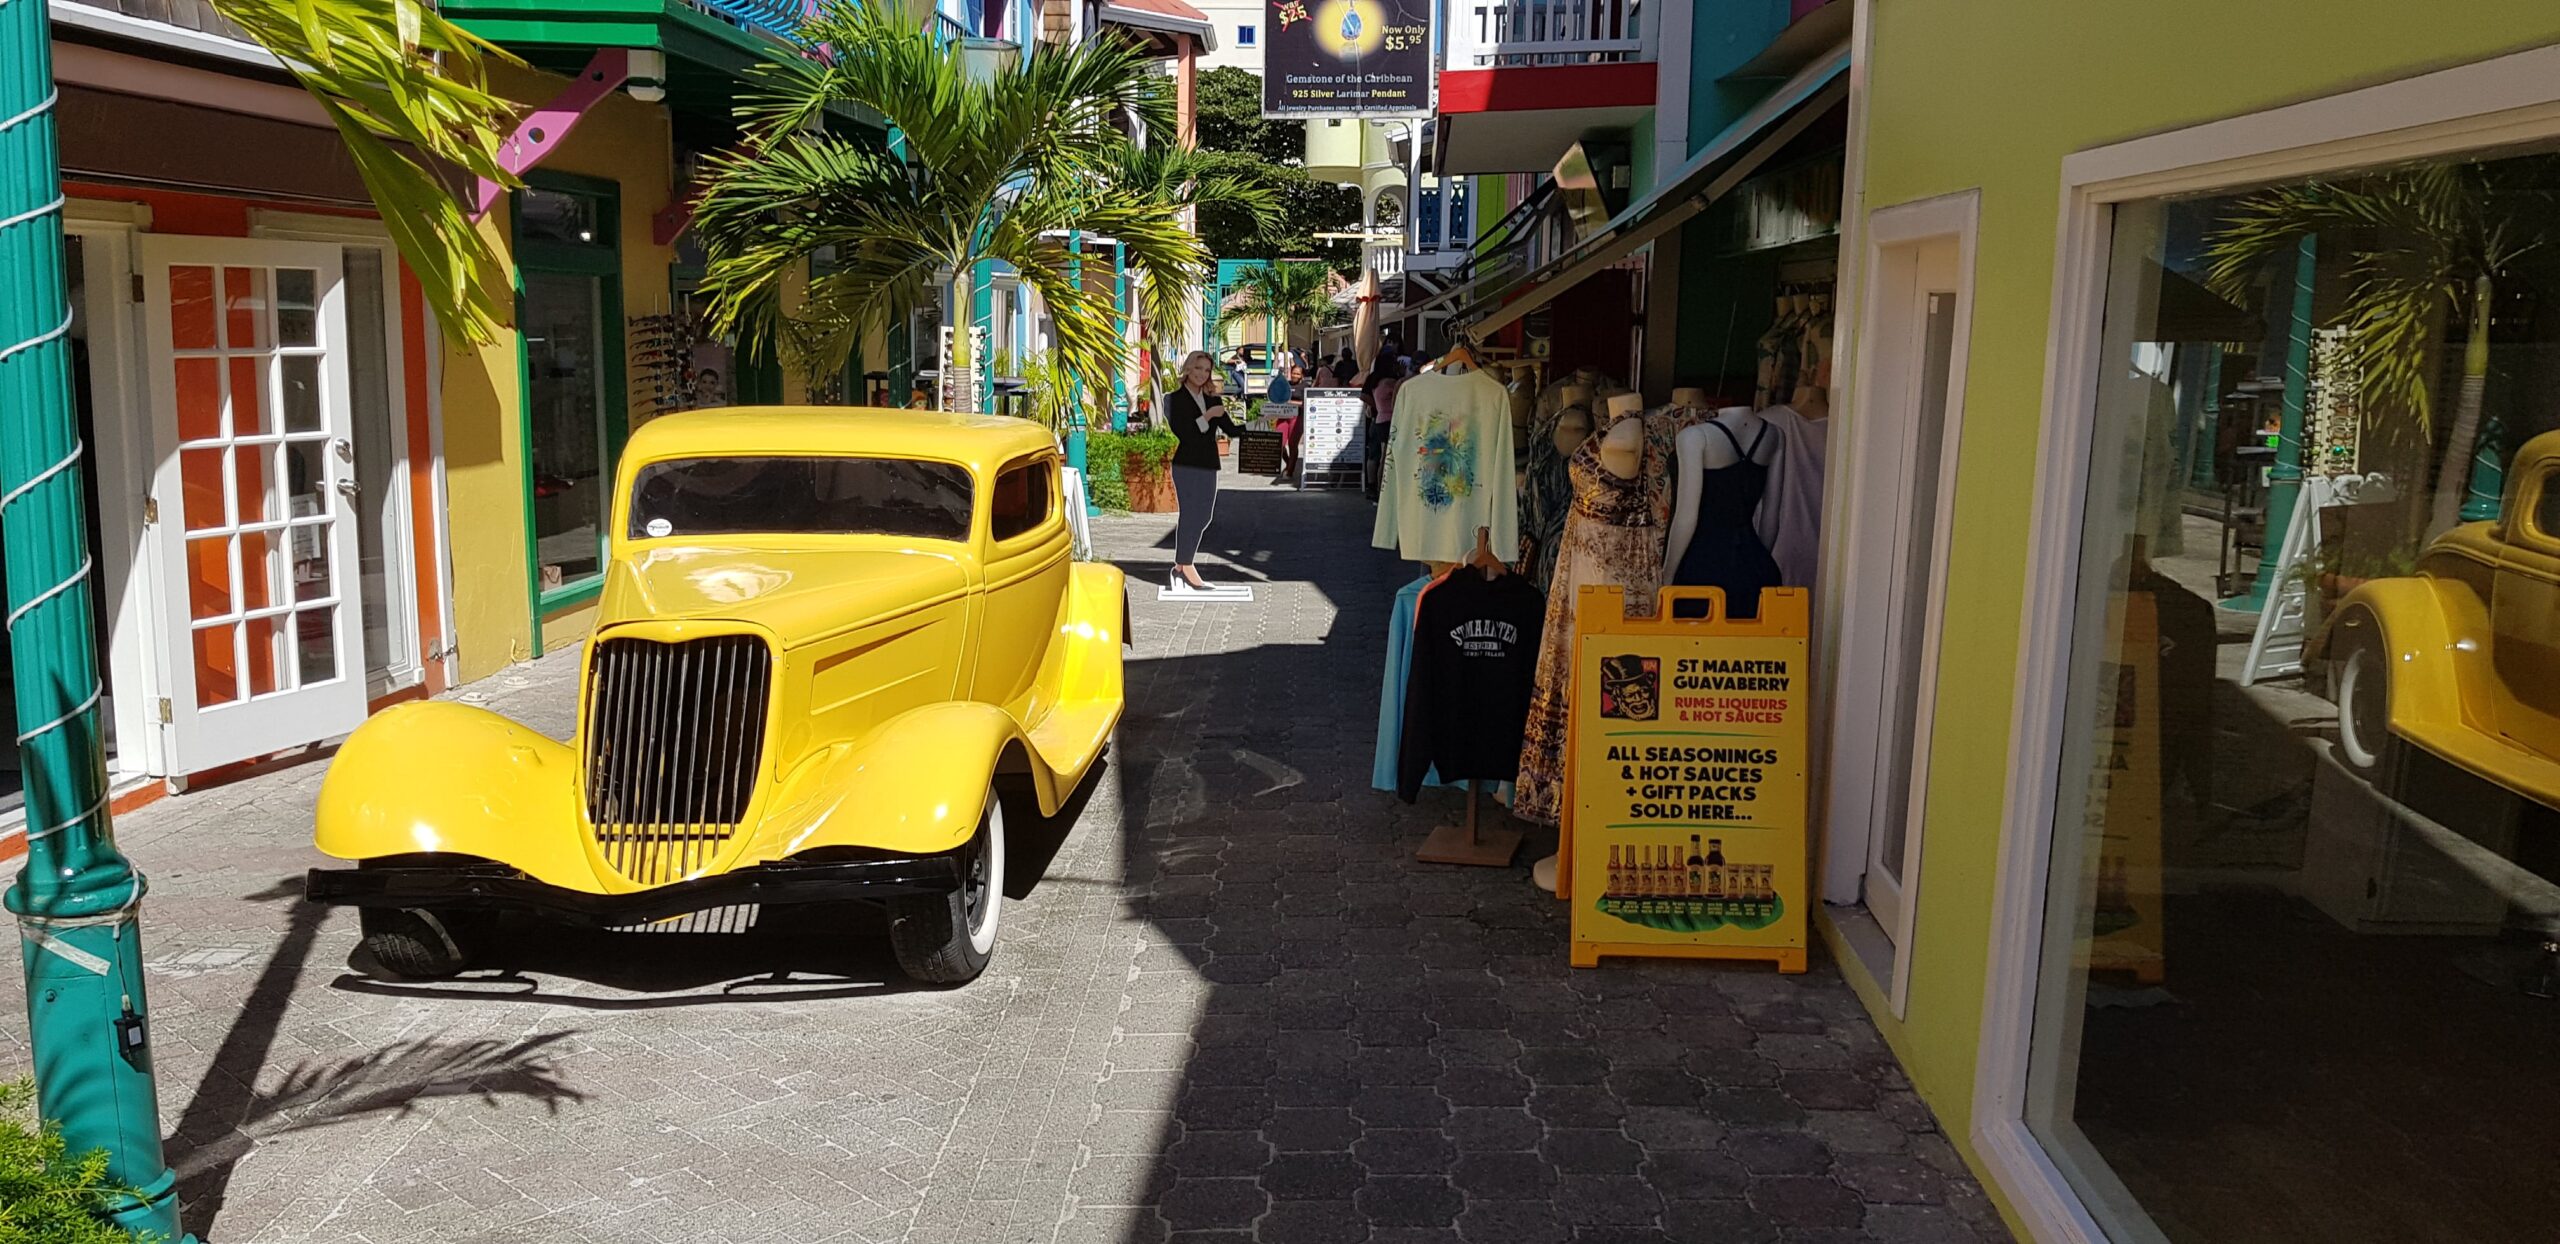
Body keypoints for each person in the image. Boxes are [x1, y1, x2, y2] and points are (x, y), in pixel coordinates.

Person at [1164, 351, 1246, 591]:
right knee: (1191, 515)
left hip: (1208, 463)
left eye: (1207, 370)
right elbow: (1186, 433)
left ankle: (1179, 568)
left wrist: (1262, 423)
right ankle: (1186, 565)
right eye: (1198, 368)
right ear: (1189, 369)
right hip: (1186, 464)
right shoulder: (1174, 399)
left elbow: (1232, 430)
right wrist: (1209, 416)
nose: (1202, 374)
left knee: (1205, 516)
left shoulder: (1213, 399)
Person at [1361, 354, 1405, 499]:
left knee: (1375, 456)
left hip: (1377, 418)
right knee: (1386, 457)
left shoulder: (1373, 379)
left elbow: (1363, 395)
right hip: (1388, 420)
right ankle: (1382, 490)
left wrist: (1376, 407)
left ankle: (1372, 486)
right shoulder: (1392, 382)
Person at [1271, 361, 1307, 479]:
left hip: (1296, 418)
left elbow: (1306, 403)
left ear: (1302, 375)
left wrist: (1291, 402)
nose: (1295, 376)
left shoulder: (1305, 387)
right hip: (1282, 416)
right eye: (1294, 373)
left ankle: (1290, 471)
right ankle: (1288, 463)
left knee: (1292, 444)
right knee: (1278, 444)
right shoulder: (1285, 384)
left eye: (1298, 374)